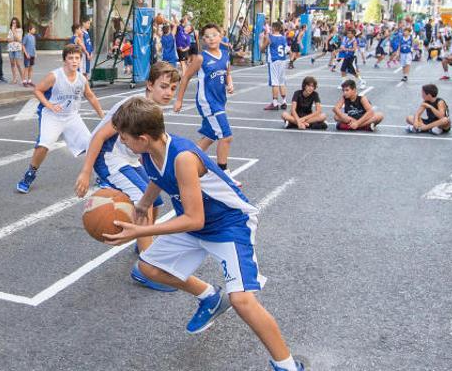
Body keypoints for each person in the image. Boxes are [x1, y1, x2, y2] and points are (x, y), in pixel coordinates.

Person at [104, 97, 305, 371]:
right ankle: (210, 297)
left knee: (242, 300)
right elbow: (157, 177)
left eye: (124, 137)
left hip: (228, 224)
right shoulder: (149, 151)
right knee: (148, 266)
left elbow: (193, 219)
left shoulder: (184, 158)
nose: (121, 141)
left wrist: (142, 230)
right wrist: (143, 204)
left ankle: (288, 366)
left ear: (142, 137)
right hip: (197, 224)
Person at [74, 62, 182, 276]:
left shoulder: (152, 109)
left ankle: (143, 240)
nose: (168, 92)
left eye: (172, 88)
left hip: (128, 158)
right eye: (163, 86)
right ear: (149, 85)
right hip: (108, 158)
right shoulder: (133, 107)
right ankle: (147, 267)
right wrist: (86, 171)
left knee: (154, 198)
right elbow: (99, 136)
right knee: (143, 198)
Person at [16, 45, 104, 193]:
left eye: (77, 58)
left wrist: (102, 116)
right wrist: (49, 105)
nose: (74, 61)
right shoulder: (54, 76)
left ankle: (100, 175)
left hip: (71, 117)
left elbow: (91, 96)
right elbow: (37, 90)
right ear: (64, 60)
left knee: (92, 144)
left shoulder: (81, 79)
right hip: (52, 116)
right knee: (43, 145)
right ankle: (30, 174)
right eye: (70, 58)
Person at [173, 24, 240, 188]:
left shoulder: (225, 56)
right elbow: (186, 77)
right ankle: (224, 173)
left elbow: (228, 74)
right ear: (203, 40)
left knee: (209, 137)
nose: (211, 38)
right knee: (226, 137)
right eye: (207, 36)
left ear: (221, 36)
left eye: (214, 35)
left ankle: (184, 163)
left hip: (220, 101)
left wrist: (230, 84)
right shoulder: (201, 58)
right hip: (207, 102)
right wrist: (179, 100)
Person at [260, 21, 288, 110]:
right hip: (283, 60)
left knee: (275, 82)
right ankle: (284, 101)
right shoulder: (283, 38)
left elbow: (262, 49)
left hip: (274, 60)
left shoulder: (270, 37)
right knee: (282, 81)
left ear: (273, 28)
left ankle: (275, 103)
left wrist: (261, 39)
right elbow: (286, 49)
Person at [7, 17, 24, 85]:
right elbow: (8, 39)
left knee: (18, 64)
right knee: (12, 64)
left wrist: (14, 32)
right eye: (13, 23)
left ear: (17, 23)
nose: (14, 24)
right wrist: (13, 39)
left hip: (17, 48)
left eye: (15, 22)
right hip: (11, 48)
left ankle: (23, 79)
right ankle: (14, 79)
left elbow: (19, 39)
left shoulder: (20, 30)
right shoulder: (10, 30)